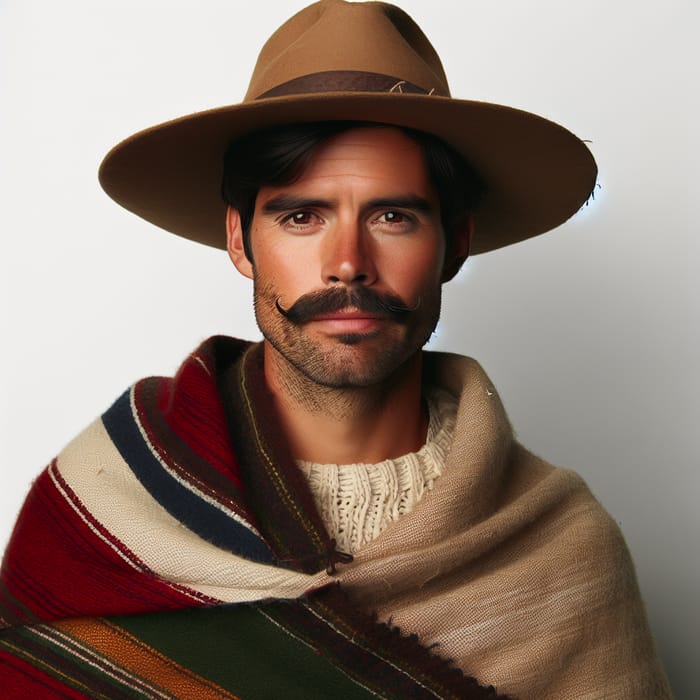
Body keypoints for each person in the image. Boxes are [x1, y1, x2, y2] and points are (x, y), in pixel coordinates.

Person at [0, 1, 672, 698]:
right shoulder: (103, 511)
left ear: (456, 243)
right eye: (301, 216)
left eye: (392, 216)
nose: (347, 263)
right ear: (239, 239)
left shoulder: (561, 550)